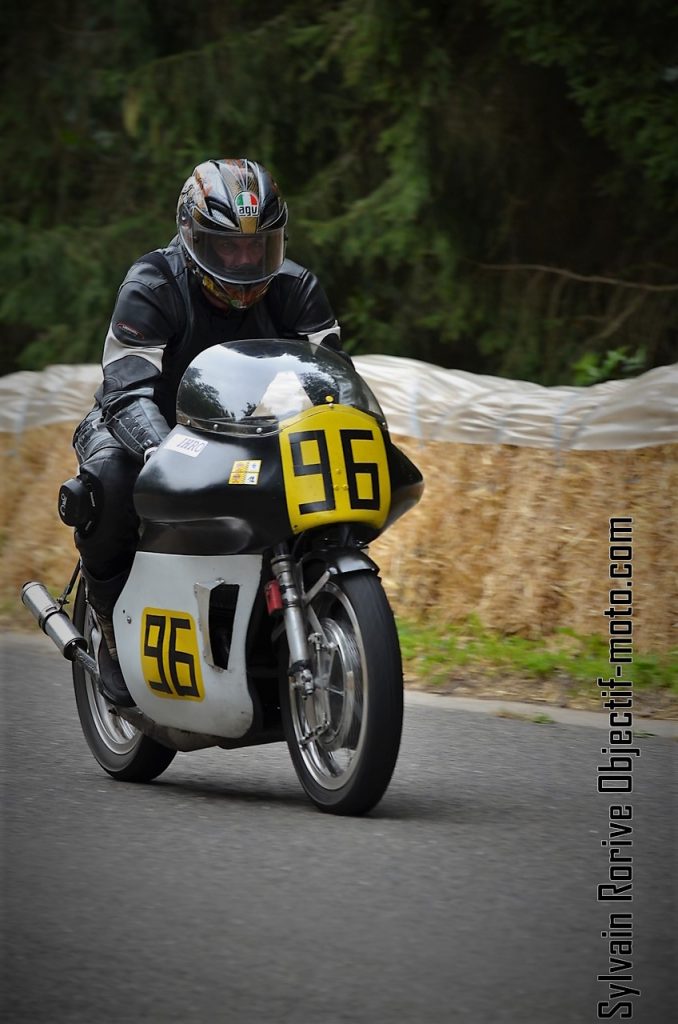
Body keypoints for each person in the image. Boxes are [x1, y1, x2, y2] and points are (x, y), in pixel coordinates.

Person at [71, 158, 343, 706]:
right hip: (146, 424)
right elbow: (127, 390)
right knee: (110, 477)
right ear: (193, 239)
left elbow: (331, 382)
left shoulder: (298, 289)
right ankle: (109, 626)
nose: (245, 260)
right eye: (227, 247)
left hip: (253, 431)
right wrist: (166, 450)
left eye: (258, 246)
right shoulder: (153, 284)